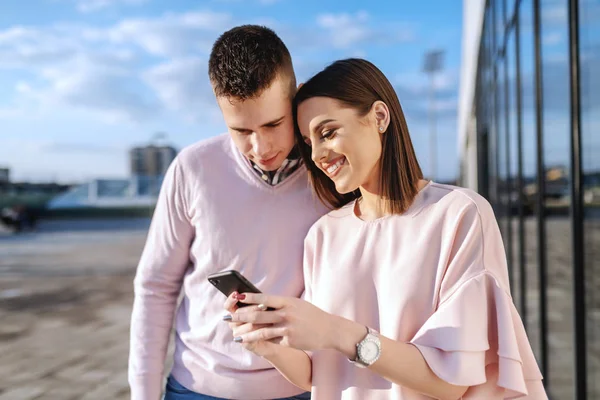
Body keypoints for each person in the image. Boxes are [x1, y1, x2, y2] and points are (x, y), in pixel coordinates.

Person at [223, 58, 547, 399]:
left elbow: (451, 382)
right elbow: (320, 373)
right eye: (308, 142)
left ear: (379, 116)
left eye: (328, 132)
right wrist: (268, 343)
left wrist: (337, 332)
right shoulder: (324, 234)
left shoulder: (457, 215)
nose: (317, 154)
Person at [128, 25, 327, 400]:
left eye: (273, 124)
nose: (260, 145)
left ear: (295, 98)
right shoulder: (193, 167)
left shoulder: (332, 177)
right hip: (196, 388)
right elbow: (156, 286)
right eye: (241, 130)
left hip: (301, 389)